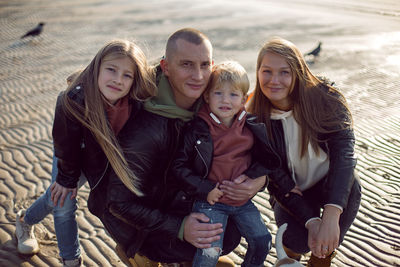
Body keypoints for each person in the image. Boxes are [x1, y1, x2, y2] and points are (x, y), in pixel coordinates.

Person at [98, 28, 268, 267]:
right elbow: (117, 203)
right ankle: (140, 255)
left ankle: (183, 259)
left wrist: (258, 181)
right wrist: (180, 228)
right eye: (186, 65)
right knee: (217, 236)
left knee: (230, 233)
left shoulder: (214, 102)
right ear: (166, 67)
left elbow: (239, 153)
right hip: (143, 222)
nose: (198, 75)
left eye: (204, 65)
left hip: (182, 197)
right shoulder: (146, 129)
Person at [15, 39, 157, 267]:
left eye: (127, 75)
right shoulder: (73, 100)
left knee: (56, 196)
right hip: (70, 154)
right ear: (97, 67)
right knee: (63, 202)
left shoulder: (137, 101)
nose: (118, 80)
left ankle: (25, 217)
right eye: (111, 69)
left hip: (99, 158)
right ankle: (69, 258)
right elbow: (65, 144)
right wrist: (66, 178)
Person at [247, 37, 362, 266]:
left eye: (284, 72)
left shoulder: (325, 98)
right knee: (296, 241)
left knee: (348, 196)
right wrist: (311, 221)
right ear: (258, 72)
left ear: (298, 72)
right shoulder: (254, 118)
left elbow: (344, 155)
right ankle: (289, 261)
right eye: (267, 71)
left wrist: (330, 215)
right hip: (291, 190)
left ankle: (322, 258)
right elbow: (275, 178)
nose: (274, 80)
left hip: (329, 185)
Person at [171, 61, 278, 267]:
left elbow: (269, 160)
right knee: (210, 251)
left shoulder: (251, 126)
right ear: (207, 96)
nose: (225, 100)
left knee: (262, 240)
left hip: (242, 202)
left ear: (244, 99)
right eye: (218, 93)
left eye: (233, 95)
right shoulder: (197, 128)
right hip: (210, 202)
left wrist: (254, 178)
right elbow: (179, 167)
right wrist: (205, 189)